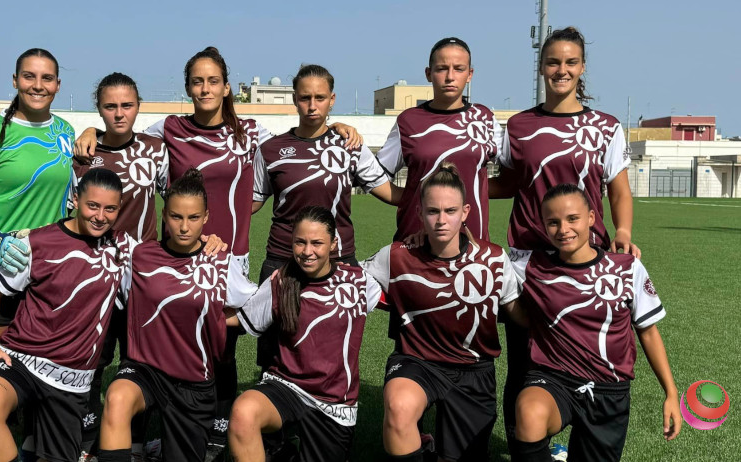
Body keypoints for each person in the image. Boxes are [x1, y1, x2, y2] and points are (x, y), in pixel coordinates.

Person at [74, 48, 363, 456]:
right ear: (188, 87)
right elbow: (123, 133)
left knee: (221, 346)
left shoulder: (251, 132)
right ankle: (144, 433)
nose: (205, 88)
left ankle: (217, 429)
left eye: (213, 81)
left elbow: (299, 140)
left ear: (227, 87)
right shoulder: (169, 128)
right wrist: (91, 131)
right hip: (175, 256)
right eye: (197, 81)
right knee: (162, 342)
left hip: (229, 258)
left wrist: (337, 127)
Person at [490, 27, 640, 443]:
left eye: (571, 62)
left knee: (586, 364)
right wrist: (457, 187)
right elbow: (507, 184)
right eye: (553, 62)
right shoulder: (519, 125)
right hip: (528, 264)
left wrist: (623, 230)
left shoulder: (606, 127)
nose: (562, 70)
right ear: (541, 67)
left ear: (582, 67)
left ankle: (581, 440)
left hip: (585, 264)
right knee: (524, 365)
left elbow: (618, 190)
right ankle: (527, 445)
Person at [0, 47, 75, 462]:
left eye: (47, 78)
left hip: (46, 272)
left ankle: (33, 439)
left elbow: (69, 195)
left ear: (58, 84)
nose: (38, 85)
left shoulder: (66, 131)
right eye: (29, 77)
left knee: (42, 359)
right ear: (15, 81)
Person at [0, 169, 134, 462]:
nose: (100, 216)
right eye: (92, 205)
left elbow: (172, 256)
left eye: (110, 209)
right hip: (21, 360)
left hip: (71, 381)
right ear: (75, 200)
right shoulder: (38, 242)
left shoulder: (124, 248)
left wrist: (209, 242)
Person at [361, 163, 523, 462]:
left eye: (450, 211)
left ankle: (431, 445)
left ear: (465, 212)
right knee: (399, 408)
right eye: (433, 211)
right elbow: (348, 283)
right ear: (420, 213)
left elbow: (517, 312)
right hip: (417, 361)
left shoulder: (494, 259)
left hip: (474, 369)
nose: (441, 220)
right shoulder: (396, 256)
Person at [509, 184, 680, 462]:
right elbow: (483, 257)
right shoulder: (531, 266)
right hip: (554, 379)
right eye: (553, 222)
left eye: (572, 219)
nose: (563, 229)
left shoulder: (627, 268)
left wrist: (670, 392)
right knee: (530, 411)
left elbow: (648, 332)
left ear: (591, 218)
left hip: (608, 390)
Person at [96, 168, 255, 462]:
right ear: (164, 215)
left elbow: (252, 308)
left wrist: (216, 317)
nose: (183, 226)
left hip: (193, 382)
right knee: (117, 398)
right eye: (176, 217)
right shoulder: (140, 256)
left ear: (206, 217)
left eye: (193, 218)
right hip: (145, 370)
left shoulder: (221, 262)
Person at [252, 63, 402, 371]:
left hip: (338, 260)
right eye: (305, 97)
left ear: (332, 100)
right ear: (294, 99)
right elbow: (248, 204)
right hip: (283, 260)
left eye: (320, 98)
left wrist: (439, 196)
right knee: (275, 354)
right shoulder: (270, 150)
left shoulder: (350, 146)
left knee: (333, 349)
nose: (312, 105)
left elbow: (388, 192)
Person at [228, 206, 382, 462]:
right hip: (286, 386)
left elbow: (403, 281)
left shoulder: (359, 281)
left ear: (333, 244)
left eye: (317, 243)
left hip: (334, 406)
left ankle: (285, 453)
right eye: (300, 242)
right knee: (244, 413)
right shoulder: (281, 281)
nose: (307, 251)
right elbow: (243, 318)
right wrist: (190, 308)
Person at [72, 72, 168, 458]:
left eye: (126, 105)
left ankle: (138, 442)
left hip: (143, 278)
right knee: (91, 361)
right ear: (99, 109)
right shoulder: (83, 154)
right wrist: (88, 132)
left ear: (138, 107)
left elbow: (177, 202)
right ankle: (86, 440)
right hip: (95, 275)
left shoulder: (156, 150)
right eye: (109, 106)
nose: (119, 113)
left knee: (140, 362)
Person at [377, 37, 502, 242]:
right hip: (415, 243)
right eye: (442, 68)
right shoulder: (409, 121)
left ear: (470, 74)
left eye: (459, 69)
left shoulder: (485, 118)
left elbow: (513, 177)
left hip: (472, 244)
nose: (450, 77)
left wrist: (476, 190)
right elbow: (375, 176)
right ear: (429, 73)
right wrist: (412, 197)